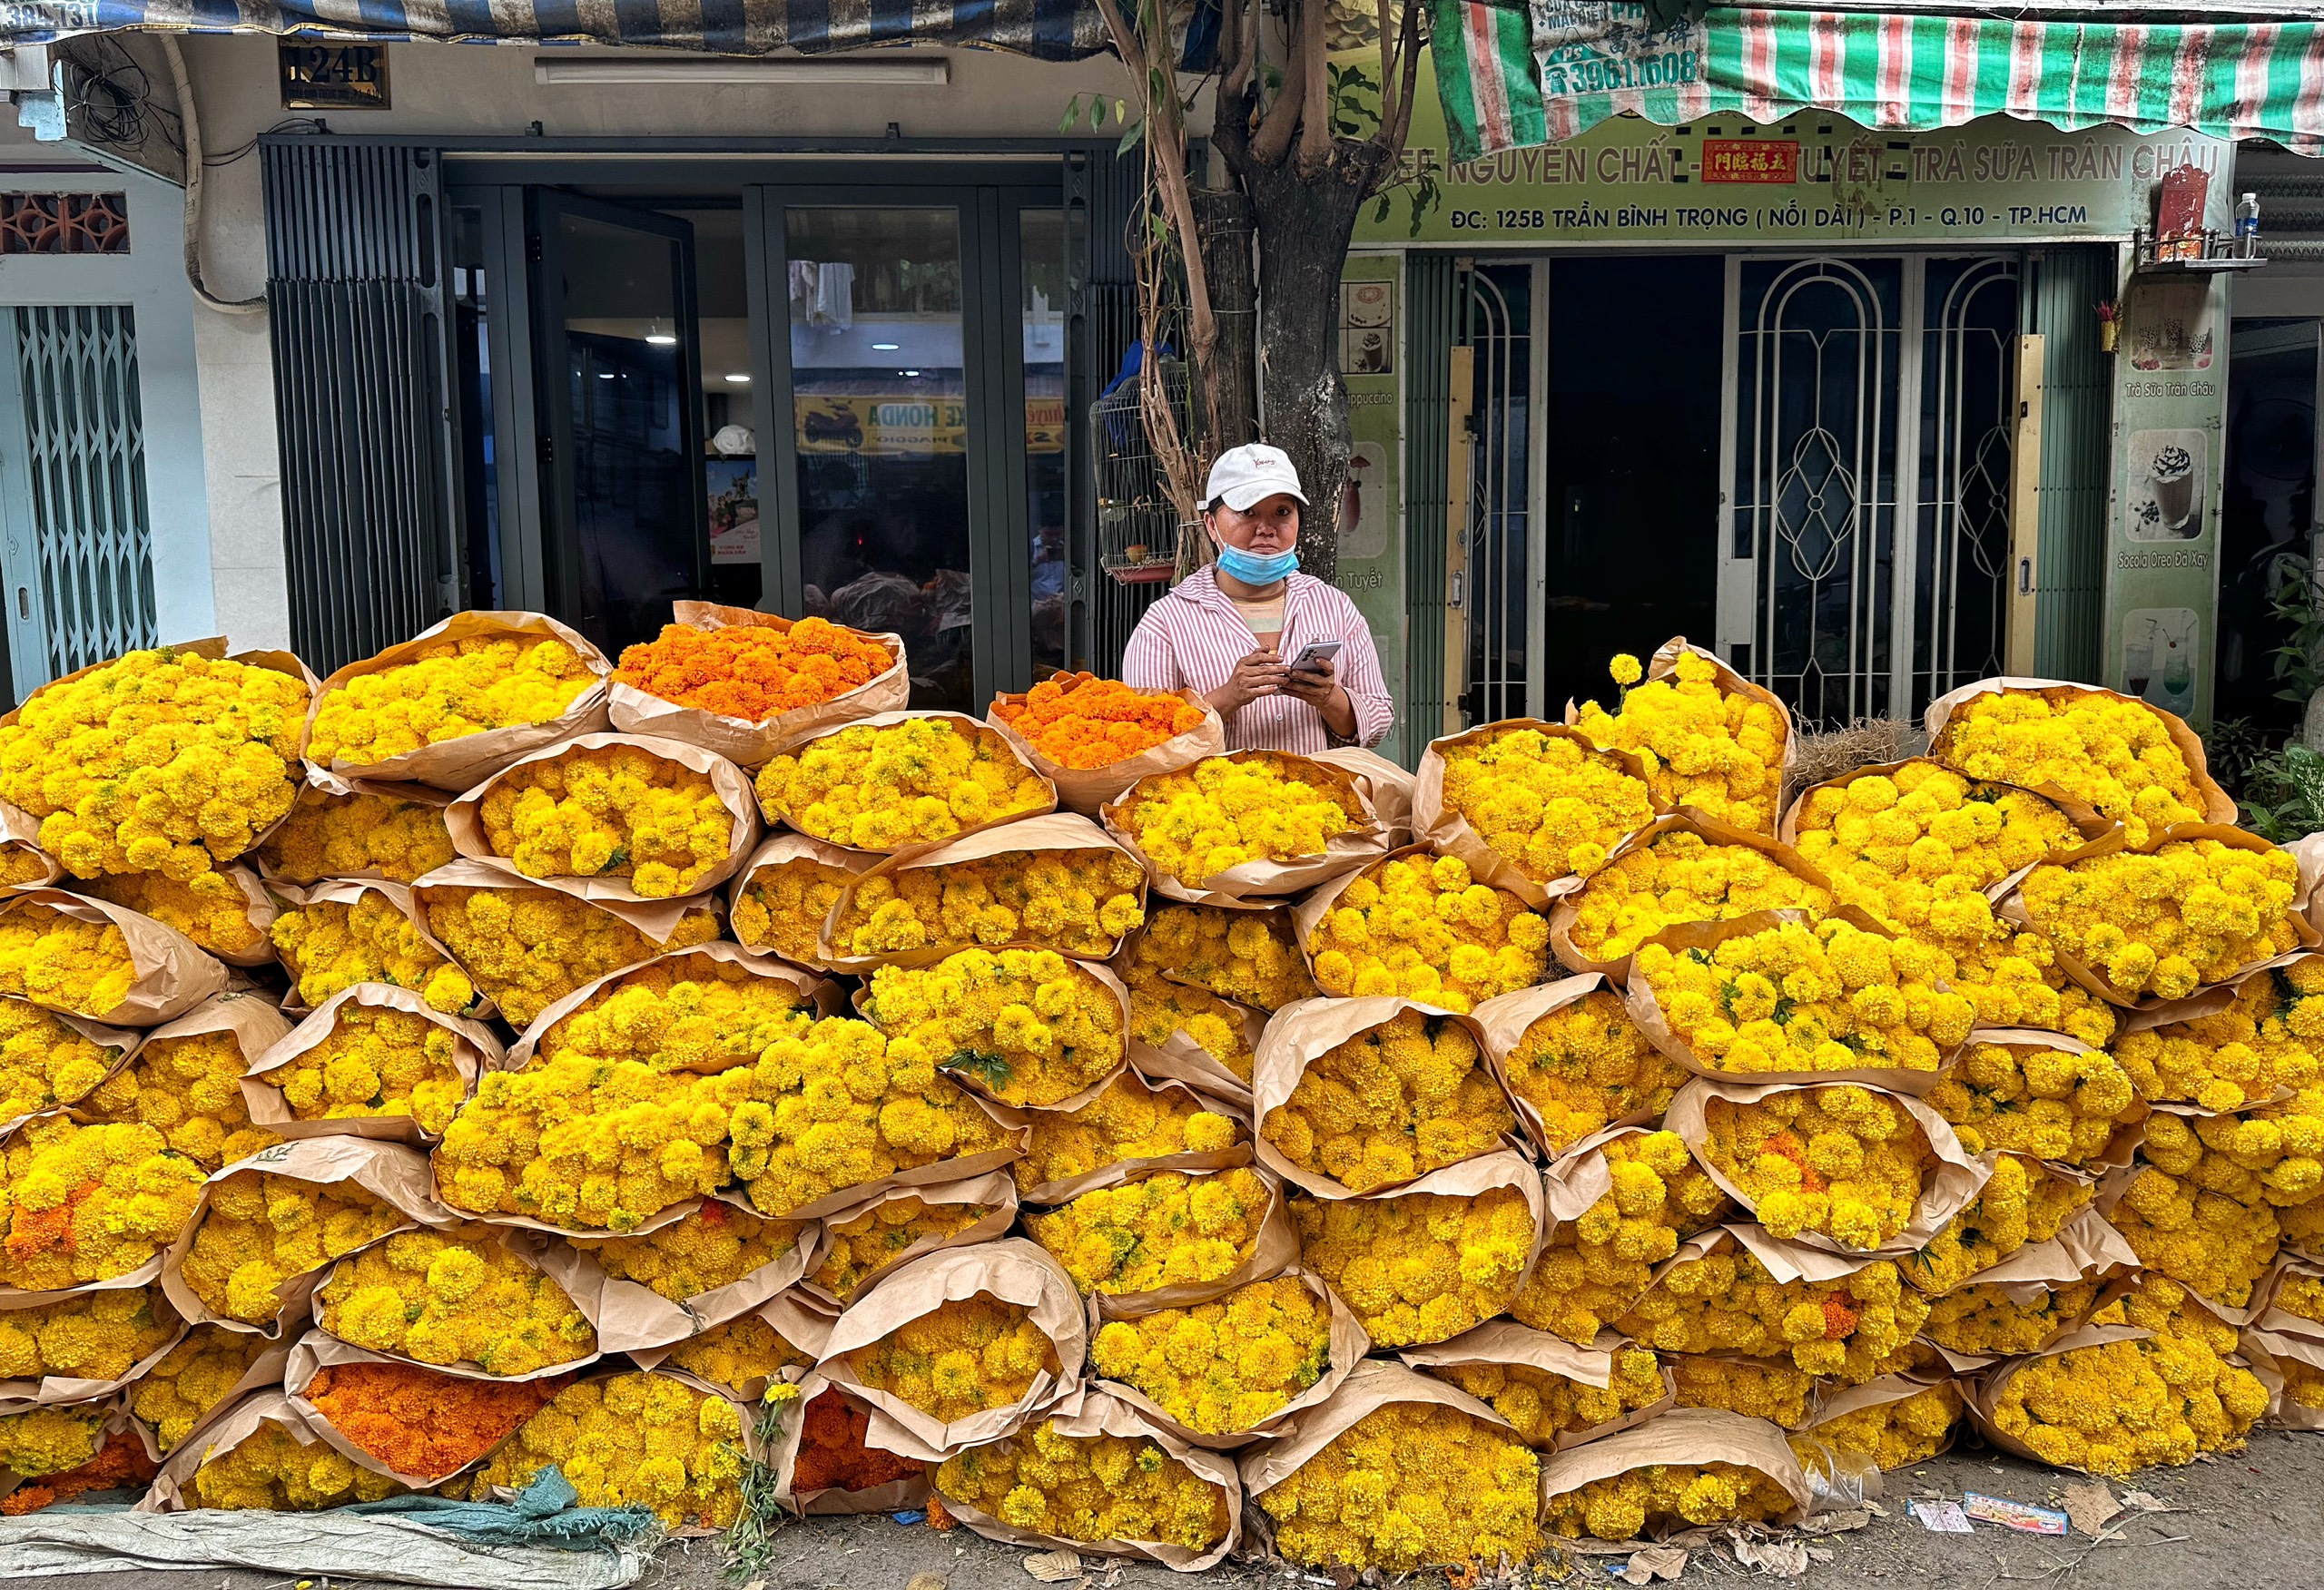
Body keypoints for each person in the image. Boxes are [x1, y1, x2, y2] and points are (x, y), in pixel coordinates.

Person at [1121, 443, 1393, 752]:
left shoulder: (1334, 607)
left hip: (1318, 784)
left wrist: (1330, 699)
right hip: (1214, 786)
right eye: (1247, 512)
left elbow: (1379, 722)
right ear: (1212, 525)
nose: (1266, 529)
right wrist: (1228, 696)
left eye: (1282, 512)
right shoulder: (1166, 622)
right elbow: (1142, 738)